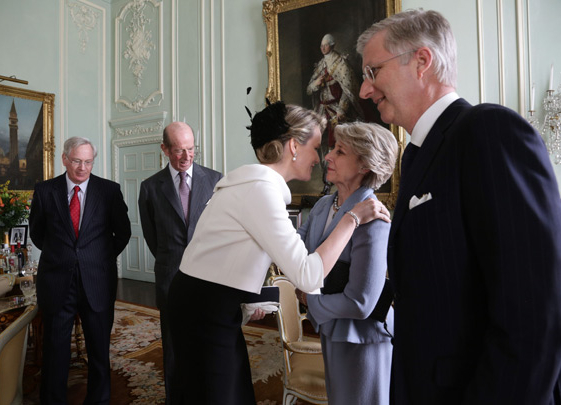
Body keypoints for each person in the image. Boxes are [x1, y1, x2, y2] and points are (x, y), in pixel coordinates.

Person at [357, 9, 561, 404]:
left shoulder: (489, 131)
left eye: (372, 71)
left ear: (421, 61)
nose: (365, 90)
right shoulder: (416, 156)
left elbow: (534, 313)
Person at [167, 102, 391, 404]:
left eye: (335, 150)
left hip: (205, 302)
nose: (320, 157)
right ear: (294, 147)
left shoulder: (250, 183)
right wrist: (352, 219)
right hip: (205, 310)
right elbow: (308, 274)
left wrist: (248, 299)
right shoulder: (262, 191)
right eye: (316, 147)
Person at [295, 121, 397, 405]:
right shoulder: (323, 206)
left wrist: (309, 300)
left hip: (362, 342)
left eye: (340, 151)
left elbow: (362, 302)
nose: (328, 156)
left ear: (365, 165)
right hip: (332, 329)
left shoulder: (375, 218)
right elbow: (295, 250)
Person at [29, 137, 131, 404]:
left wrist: (97, 259)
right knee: (55, 351)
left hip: (97, 280)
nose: (83, 168)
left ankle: (98, 400)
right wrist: (63, 256)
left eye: (88, 162)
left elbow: (123, 233)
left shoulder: (109, 191)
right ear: (64, 159)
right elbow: (39, 234)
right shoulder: (45, 191)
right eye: (77, 161)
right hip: (56, 281)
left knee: (99, 350)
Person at [138, 121, 222, 403]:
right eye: (178, 151)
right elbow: (152, 236)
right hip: (170, 278)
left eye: (191, 149)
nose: (186, 157)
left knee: (208, 344)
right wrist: (171, 260)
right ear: (165, 150)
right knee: (173, 348)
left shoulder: (215, 180)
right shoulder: (150, 188)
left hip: (209, 279)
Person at [307, 33, 364, 148]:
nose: (323, 48)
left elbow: (348, 89)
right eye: (321, 46)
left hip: (337, 109)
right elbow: (309, 89)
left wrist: (342, 109)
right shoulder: (321, 64)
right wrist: (316, 83)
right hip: (322, 109)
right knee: (317, 140)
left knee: (339, 142)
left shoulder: (341, 63)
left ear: (332, 46)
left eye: (326, 45)